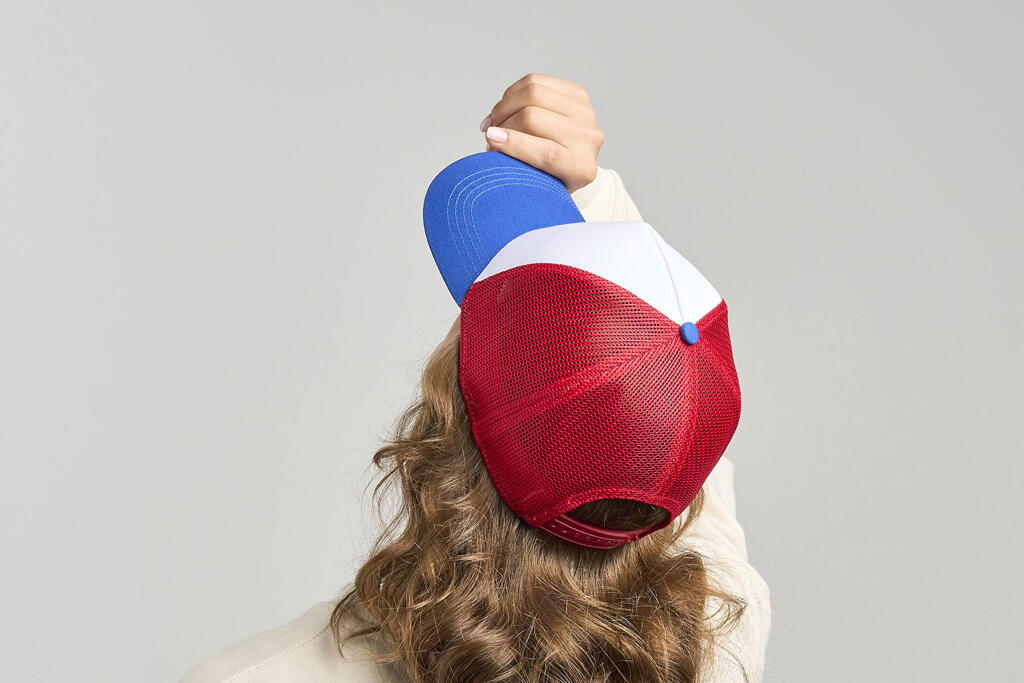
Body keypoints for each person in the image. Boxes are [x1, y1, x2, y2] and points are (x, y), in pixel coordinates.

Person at [179, 74, 771, 683]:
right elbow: (674, 435)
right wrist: (597, 202)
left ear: (452, 411)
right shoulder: (723, 636)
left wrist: (597, 207)